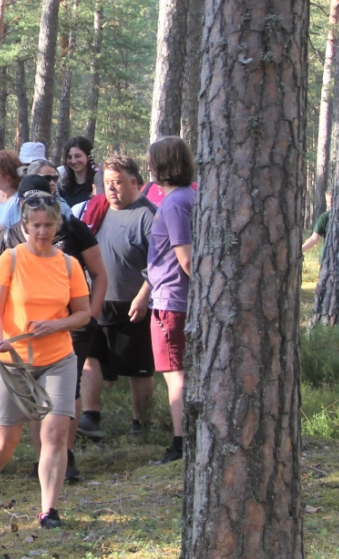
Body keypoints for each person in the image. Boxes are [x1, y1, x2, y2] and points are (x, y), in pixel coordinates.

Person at [0, 192, 91, 530]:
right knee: (4, 441)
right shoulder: (9, 260)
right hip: (13, 360)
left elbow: (83, 314)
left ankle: (48, 510)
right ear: (24, 227)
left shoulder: (69, 264)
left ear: (57, 226)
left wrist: (56, 324)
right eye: (35, 225)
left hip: (58, 358)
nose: (42, 231)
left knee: (55, 434)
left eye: (48, 225)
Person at [0, 174, 109, 483]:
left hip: (72, 322)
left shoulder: (74, 227)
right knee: (39, 392)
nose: (39, 208)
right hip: (29, 329)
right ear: (20, 204)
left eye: (44, 199)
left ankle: (64, 453)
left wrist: (92, 313)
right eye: (30, 201)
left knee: (66, 388)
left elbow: (99, 273)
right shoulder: (9, 236)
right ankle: (42, 458)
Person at [81, 155, 158, 441]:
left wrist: (143, 297)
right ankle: (90, 417)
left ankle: (143, 423)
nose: (111, 189)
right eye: (107, 183)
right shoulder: (97, 209)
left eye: (117, 183)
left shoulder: (148, 215)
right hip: (97, 300)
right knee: (92, 357)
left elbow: (159, 263)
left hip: (133, 303)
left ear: (135, 182)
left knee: (138, 367)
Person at [139, 135, 195, 464]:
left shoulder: (175, 204)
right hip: (172, 297)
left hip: (172, 301)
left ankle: (181, 443)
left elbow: (185, 258)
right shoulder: (186, 198)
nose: (148, 168)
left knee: (175, 374)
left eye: (152, 162)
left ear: (164, 165)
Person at [57, 136, 100, 210]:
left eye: (78, 156)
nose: (73, 161)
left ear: (88, 156)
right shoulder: (62, 186)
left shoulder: (99, 183)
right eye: (69, 157)